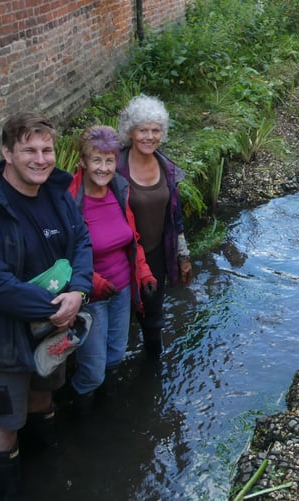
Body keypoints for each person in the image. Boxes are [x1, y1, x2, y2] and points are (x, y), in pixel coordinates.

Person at [0, 111, 93, 499]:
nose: (41, 158)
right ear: (7, 153)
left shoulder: (55, 194)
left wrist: (79, 291)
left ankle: (45, 465)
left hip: (53, 326)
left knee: (45, 392)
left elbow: (81, 241)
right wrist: (55, 306)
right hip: (3, 337)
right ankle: (6, 488)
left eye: (47, 149)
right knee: (5, 418)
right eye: (29, 149)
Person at [67, 125, 157, 413]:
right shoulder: (70, 200)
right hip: (91, 297)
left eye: (109, 161)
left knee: (116, 355)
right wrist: (90, 282)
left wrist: (143, 272)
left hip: (122, 290)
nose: (104, 168)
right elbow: (61, 255)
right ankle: (82, 419)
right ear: (82, 161)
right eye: (96, 160)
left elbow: (132, 239)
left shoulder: (119, 190)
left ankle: (106, 415)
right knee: (92, 369)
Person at [116, 95, 192, 357]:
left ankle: (152, 370)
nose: (149, 136)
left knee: (153, 318)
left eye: (155, 130)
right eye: (143, 130)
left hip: (157, 254)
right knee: (120, 317)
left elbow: (175, 218)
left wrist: (183, 256)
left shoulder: (167, 168)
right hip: (121, 259)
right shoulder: (115, 169)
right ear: (131, 132)